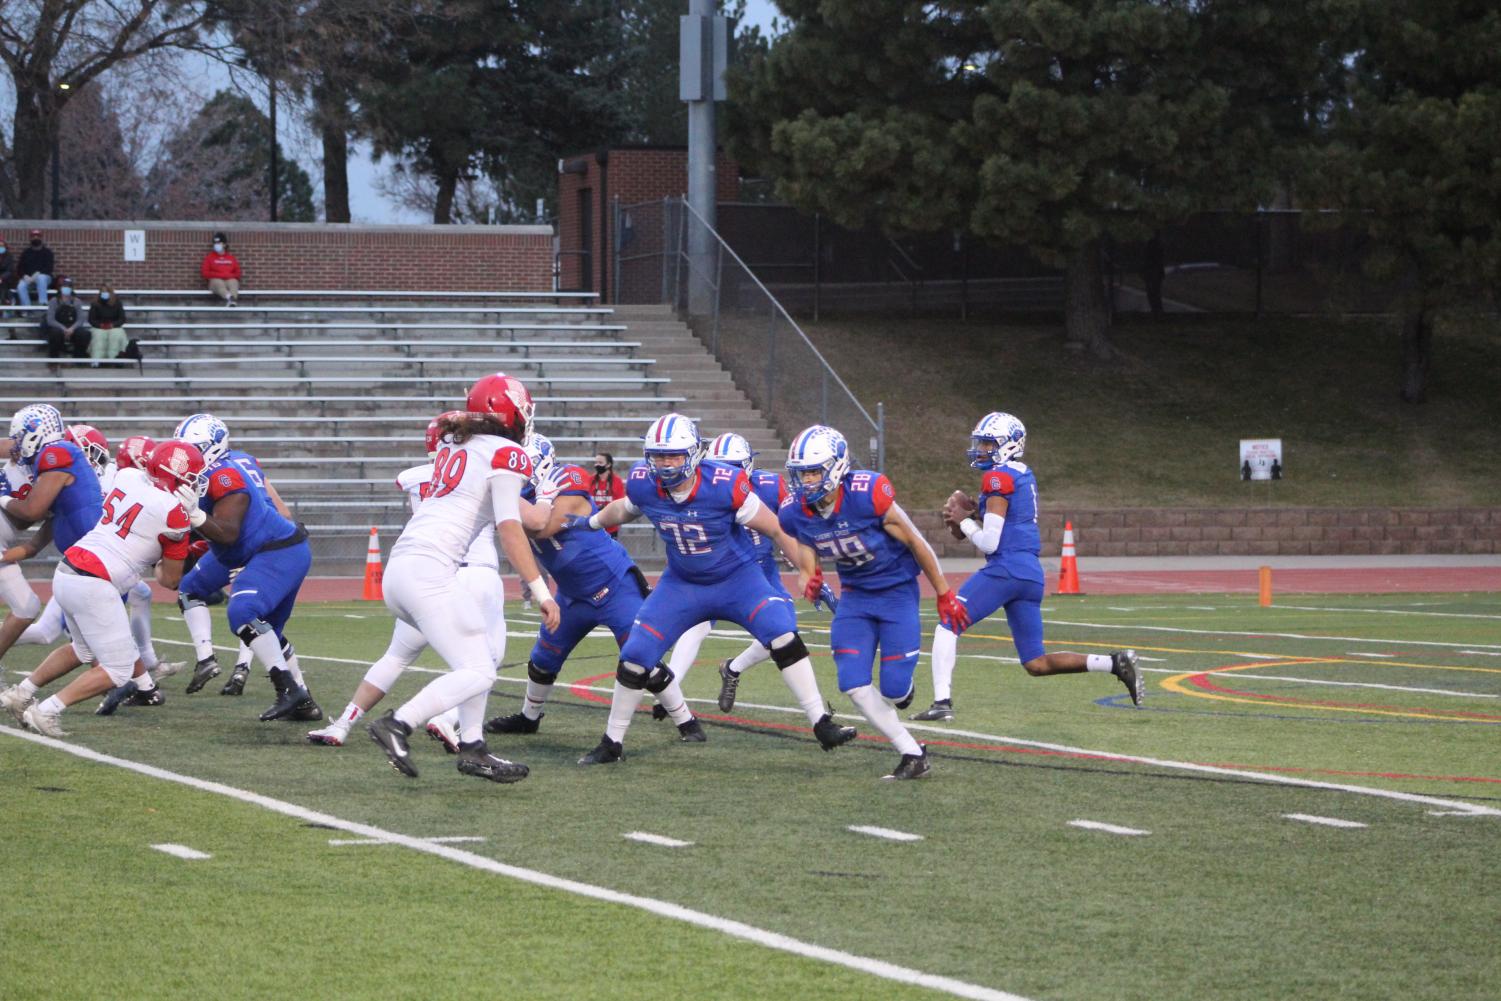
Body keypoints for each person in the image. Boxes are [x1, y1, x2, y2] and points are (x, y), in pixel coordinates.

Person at [565, 412, 857, 765]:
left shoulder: (724, 484)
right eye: (659, 456)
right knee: (635, 656)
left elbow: (778, 530)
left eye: (673, 455)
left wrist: (810, 573)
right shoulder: (644, 483)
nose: (666, 463)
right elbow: (624, 510)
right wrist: (591, 522)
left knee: (782, 632)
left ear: (693, 454)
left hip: (736, 579)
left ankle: (821, 723)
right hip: (683, 583)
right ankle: (612, 743)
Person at [365, 373, 559, 784]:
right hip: (429, 571)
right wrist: (541, 590)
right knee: (481, 669)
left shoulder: (459, 443)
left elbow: (521, 516)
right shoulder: (506, 452)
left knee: (479, 655)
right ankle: (398, 724)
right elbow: (510, 529)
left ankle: (473, 747)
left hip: (404, 568)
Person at [911, 412, 1142, 723]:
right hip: (1030, 574)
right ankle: (1114, 663)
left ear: (1008, 445)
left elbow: (990, 543)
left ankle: (941, 702)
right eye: (980, 443)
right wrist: (971, 516)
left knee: (947, 623)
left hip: (1006, 568)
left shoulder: (997, 477)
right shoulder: (1021, 474)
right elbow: (1003, 522)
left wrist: (964, 521)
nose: (980, 449)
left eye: (988, 443)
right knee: (1036, 663)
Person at [778, 425, 970, 780]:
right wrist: (809, 577)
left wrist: (943, 592)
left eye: (813, 472)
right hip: (855, 597)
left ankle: (904, 692)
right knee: (852, 681)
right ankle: (912, 752)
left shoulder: (867, 494)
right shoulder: (795, 511)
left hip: (896, 592)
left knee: (895, 690)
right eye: (800, 473)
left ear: (836, 467)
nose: (805, 481)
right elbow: (807, 550)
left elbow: (916, 542)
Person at [483, 434, 701, 740]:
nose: (517, 476)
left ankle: (687, 722)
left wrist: (511, 503)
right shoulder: (527, 498)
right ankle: (529, 718)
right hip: (572, 595)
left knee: (640, 658)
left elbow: (542, 528)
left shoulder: (568, 478)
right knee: (543, 658)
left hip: (614, 585)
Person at [303, 412, 497, 752]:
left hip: (424, 575)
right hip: (469, 571)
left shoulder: (415, 477)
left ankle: (343, 724)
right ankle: (447, 721)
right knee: (481, 665)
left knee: (395, 657)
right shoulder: (480, 469)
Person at [5, 440, 194, 738]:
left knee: (82, 650)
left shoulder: (128, 477)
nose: (194, 484)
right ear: (177, 475)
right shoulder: (175, 513)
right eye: (192, 477)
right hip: (96, 581)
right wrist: (183, 543)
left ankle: (22, 692)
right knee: (118, 670)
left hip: (68, 569)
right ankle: (47, 710)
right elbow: (169, 580)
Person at [173, 413, 321, 723]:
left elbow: (228, 531)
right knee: (193, 589)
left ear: (211, 447)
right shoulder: (204, 473)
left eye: (192, 448)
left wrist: (196, 519)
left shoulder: (226, 474)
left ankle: (290, 691)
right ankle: (303, 702)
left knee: (244, 613)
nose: (185, 456)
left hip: (276, 549)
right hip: (244, 549)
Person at [661, 432, 796, 707]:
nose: (725, 474)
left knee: (784, 632)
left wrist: (797, 553)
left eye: (732, 468)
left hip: (760, 573)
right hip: (718, 571)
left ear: (747, 466)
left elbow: (791, 523)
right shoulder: (703, 489)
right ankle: (670, 691)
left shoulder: (770, 486)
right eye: (719, 467)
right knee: (695, 628)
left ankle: (733, 668)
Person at [0, 404, 102, 699]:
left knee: (28, 608)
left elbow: (31, 524)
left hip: (11, 541)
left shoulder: (52, 459)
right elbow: (29, 512)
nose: (16, 445)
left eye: (20, 438)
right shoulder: (37, 456)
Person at [42, 279, 90, 360]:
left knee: (84, 334)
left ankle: (79, 357)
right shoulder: (53, 301)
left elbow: (80, 319)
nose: (66, 288)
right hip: (58, 327)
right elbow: (50, 320)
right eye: (64, 286)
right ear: (60, 288)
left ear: (71, 288)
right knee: (55, 333)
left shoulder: (77, 301)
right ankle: (54, 359)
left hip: (72, 327)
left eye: (68, 286)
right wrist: (63, 328)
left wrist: (72, 329)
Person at [87, 283, 129, 365]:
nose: (104, 293)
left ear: (111, 292)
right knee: (98, 336)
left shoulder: (117, 303)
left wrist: (113, 325)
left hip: (114, 326)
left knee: (116, 335)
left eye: (106, 291)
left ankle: (114, 360)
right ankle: (96, 361)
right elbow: (91, 319)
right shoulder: (95, 303)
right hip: (99, 326)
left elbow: (122, 319)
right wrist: (100, 325)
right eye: (102, 291)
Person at [589, 452, 626, 536]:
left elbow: (619, 504)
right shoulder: (590, 480)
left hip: (610, 526)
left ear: (608, 464)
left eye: (600, 463)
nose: (597, 465)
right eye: (596, 462)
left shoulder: (617, 481)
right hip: (592, 524)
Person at [15, 229, 54, 308]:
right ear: (30, 238)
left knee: (41, 278)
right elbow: (20, 268)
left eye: (37, 236)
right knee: (21, 286)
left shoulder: (47, 252)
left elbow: (49, 268)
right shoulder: (26, 253)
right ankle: (27, 309)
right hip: (29, 279)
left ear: (41, 238)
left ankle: (43, 304)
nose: (35, 238)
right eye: (33, 236)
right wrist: (24, 276)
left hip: (44, 278)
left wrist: (37, 274)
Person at [201, 231, 241, 306]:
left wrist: (227, 276)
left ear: (224, 245)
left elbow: (238, 273)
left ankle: (232, 301)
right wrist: (224, 275)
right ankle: (229, 297)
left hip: (229, 280)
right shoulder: (209, 258)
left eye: (219, 243)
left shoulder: (231, 258)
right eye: (215, 243)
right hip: (215, 282)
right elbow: (205, 273)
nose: (216, 245)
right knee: (218, 282)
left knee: (234, 282)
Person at [0, 237, 17, 307]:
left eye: (1, 246)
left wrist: (1, 278)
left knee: (2, 285)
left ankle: (4, 303)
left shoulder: (9, 256)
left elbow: (10, 270)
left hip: (6, 279)